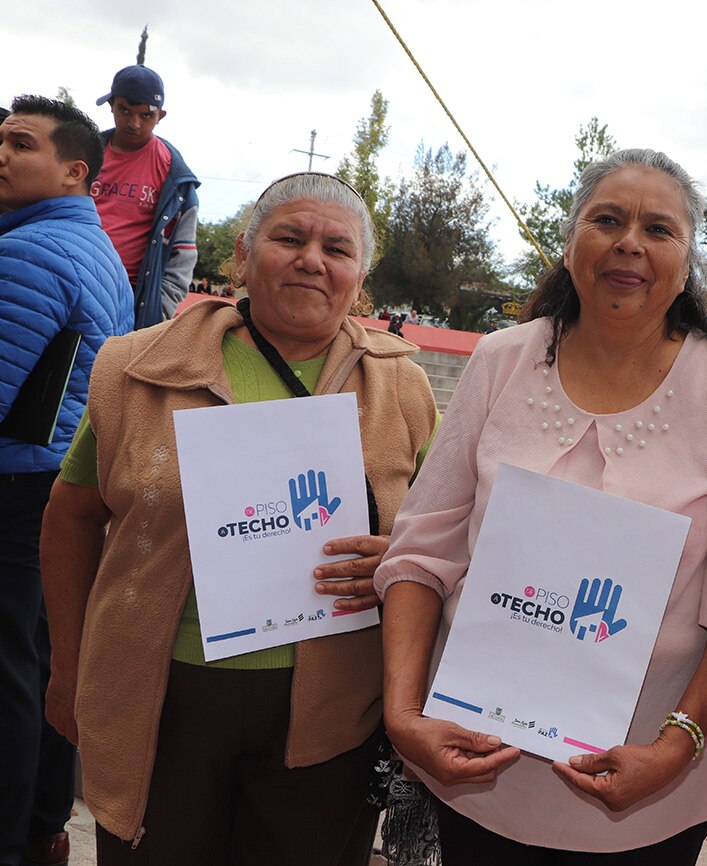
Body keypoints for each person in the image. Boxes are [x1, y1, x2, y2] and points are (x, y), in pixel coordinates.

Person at [374, 148, 707, 863]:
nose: (629, 242)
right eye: (607, 219)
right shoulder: (502, 359)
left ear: (686, 265)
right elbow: (421, 549)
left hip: (652, 778)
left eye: (658, 229)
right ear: (569, 245)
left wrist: (674, 746)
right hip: (479, 764)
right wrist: (403, 714)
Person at [40, 172, 438, 866]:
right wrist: (66, 667)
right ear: (244, 257)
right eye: (289, 237)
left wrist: (400, 561)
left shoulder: (399, 384)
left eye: (336, 248)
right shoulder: (138, 368)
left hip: (332, 711)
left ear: (360, 275)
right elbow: (71, 515)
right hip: (162, 696)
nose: (312, 259)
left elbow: (441, 538)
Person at [0, 95, 133, 866]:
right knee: (42, 665)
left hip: (16, 485)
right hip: (55, 481)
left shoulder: (27, 254)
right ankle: (45, 822)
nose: (2, 153)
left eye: (20, 143)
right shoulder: (92, 247)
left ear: (74, 170)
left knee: (11, 672)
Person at [92, 64, 199, 329]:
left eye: (146, 115)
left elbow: (183, 255)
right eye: (125, 110)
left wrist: (158, 312)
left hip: (126, 298)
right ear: (111, 105)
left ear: (160, 116)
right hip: (67, 277)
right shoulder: (82, 155)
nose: (134, 123)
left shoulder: (175, 178)